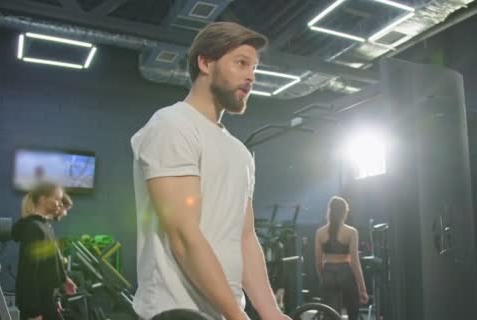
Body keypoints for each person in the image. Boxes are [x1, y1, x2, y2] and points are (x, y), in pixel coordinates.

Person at [131, 21, 290, 320]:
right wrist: (237, 316)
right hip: (176, 312)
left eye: (254, 68)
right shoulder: (172, 126)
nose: (250, 76)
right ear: (205, 63)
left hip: (221, 313)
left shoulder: (240, 153)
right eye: (241, 63)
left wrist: (271, 313)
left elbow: (245, 238)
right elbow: (183, 235)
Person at [12, 183, 77, 320]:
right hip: (37, 306)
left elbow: (52, 260)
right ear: (42, 199)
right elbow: (29, 272)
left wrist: (64, 280)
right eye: (57, 199)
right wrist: (33, 312)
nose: (60, 204)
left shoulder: (45, 227)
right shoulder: (34, 229)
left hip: (48, 301)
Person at [314, 196, 367, 320]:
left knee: (331, 315)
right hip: (346, 273)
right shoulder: (351, 232)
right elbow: (354, 262)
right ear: (344, 212)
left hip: (328, 272)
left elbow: (318, 262)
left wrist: (323, 278)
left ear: (330, 211)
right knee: (353, 311)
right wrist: (362, 288)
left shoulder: (320, 232)